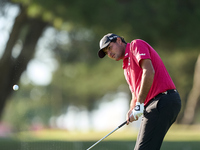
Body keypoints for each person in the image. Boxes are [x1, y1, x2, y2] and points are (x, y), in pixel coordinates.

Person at [97, 33, 181, 150]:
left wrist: (139, 104)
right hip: (155, 105)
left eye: (109, 48)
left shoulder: (136, 45)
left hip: (162, 100)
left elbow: (149, 71)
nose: (109, 54)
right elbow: (135, 94)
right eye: (106, 53)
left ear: (119, 41)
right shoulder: (126, 67)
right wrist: (132, 109)